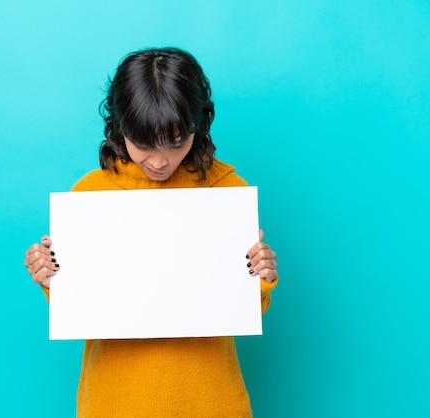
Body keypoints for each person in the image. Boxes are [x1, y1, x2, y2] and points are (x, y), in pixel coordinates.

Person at [24, 47, 278, 417]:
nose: (160, 161)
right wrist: (51, 278)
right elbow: (81, 307)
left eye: (176, 143)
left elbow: (244, 308)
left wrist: (260, 276)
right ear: (120, 125)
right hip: (115, 403)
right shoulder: (90, 195)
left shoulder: (228, 192)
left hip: (209, 401)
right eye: (144, 144)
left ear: (197, 126)